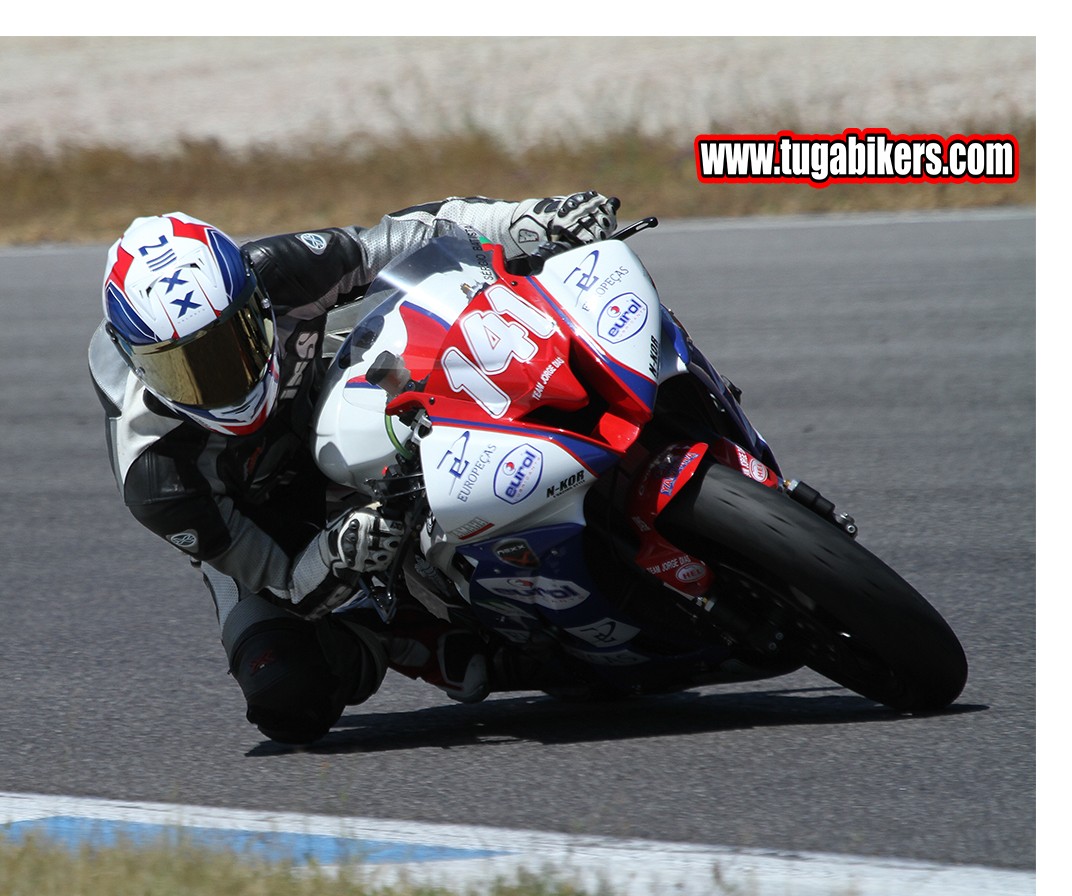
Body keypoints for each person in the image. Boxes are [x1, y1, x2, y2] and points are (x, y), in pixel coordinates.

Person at [88, 192, 619, 745]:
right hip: (259, 520)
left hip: (329, 407)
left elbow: (416, 232)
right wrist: (337, 553)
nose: (226, 382)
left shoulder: (276, 271)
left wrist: (525, 219)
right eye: (187, 371)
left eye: (236, 344)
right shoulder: (158, 477)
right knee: (288, 700)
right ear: (140, 367)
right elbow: (289, 581)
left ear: (254, 301)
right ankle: (408, 637)